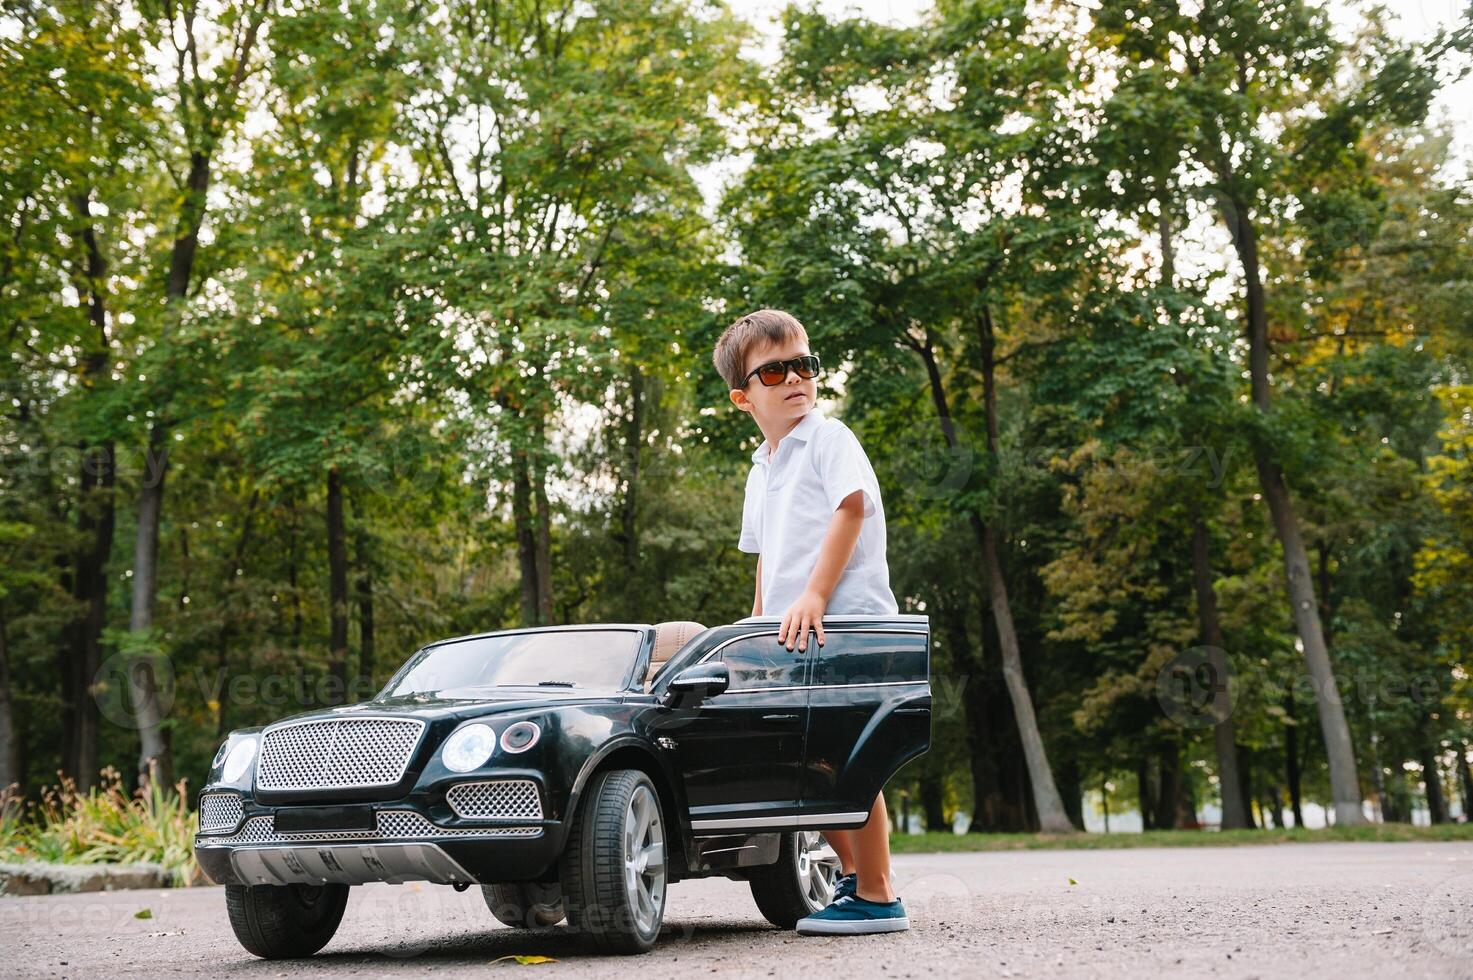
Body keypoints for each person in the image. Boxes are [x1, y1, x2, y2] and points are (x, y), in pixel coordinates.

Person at [711, 308, 908, 936]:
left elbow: (851, 510)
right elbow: (769, 552)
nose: (796, 377)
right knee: (802, 765)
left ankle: (878, 896)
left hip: (844, 623)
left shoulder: (829, 439)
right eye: (775, 371)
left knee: (847, 761)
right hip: (791, 634)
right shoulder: (762, 467)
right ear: (744, 397)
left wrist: (817, 596)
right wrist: (755, 626)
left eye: (804, 364)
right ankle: (853, 882)